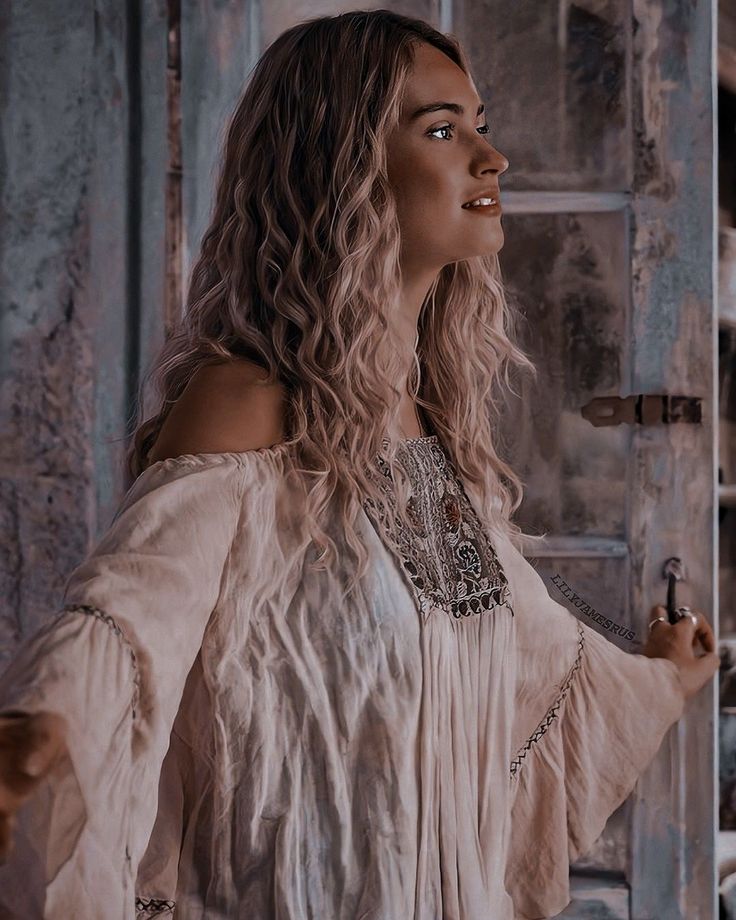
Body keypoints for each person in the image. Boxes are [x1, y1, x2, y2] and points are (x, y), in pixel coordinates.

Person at [0, 9, 719, 920]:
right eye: (443, 131)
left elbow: (529, 669)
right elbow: (123, 629)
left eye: (481, 125)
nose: (491, 159)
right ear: (342, 168)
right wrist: (36, 741)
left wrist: (666, 676)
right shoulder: (247, 401)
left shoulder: (428, 431)